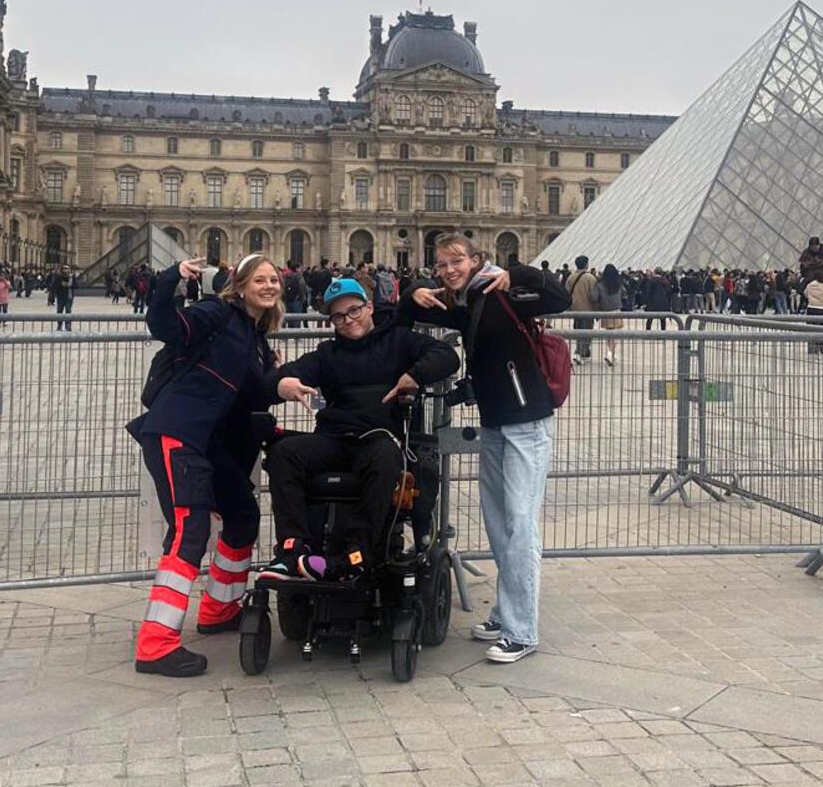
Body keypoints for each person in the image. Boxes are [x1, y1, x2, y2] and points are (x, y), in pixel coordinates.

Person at [399, 234, 570, 663]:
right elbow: (406, 312)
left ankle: (521, 630)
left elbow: (560, 297)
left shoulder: (503, 290)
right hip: (495, 423)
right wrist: (411, 291)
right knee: (498, 523)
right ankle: (505, 613)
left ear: (477, 260)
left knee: (520, 524)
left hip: (526, 423)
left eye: (456, 261)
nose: (448, 270)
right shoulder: (470, 302)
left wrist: (518, 273)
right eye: (441, 265)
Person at [127, 254, 282, 677]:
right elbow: (166, 327)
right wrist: (167, 281)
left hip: (207, 443)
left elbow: (249, 399)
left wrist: (276, 381)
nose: (269, 286)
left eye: (274, 280)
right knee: (189, 529)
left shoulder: (257, 341)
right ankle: (156, 644)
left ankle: (218, 609)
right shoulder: (217, 313)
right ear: (241, 284)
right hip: (179, 429)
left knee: (243, 515)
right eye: (261, 279)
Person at [258, 278, 458, 581]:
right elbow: (280, 378)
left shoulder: (399, 341)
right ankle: (292, 549)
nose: (347, 320)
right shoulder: (327, 354)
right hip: (334, 439)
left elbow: (448, 356)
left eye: (353, 311)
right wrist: (279, 383)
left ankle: (357, 553)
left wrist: (414, 375)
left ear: (369, 308)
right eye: (338, 316)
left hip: (378, 438)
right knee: (285, 452)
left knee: (385, 458)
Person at [567, 255, 598, 364]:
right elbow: (594, 296)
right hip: (587, 309)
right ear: (586, 264)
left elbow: (567, 293)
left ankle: (584, 352)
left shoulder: (570, 277)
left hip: (575, 309)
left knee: (578, 331)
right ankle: (578, 353)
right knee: (587, 332)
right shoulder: (590, 278)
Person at [594, 263, 624, 366]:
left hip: (605, 311)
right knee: (615, 334)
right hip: (616, 310)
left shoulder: (600, 284)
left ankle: (611, 352)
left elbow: (594, 297)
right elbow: (624, 293)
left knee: (608, 333)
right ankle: (611, 353)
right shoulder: (618, 283)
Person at [53, 264, 75, 330]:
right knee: (59, 311)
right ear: (62, 269)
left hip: (69, 297)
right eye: (65, 268)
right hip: (61, 297)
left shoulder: (71, 277)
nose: (66, 270)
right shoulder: (58, 277)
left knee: (68, 311)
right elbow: (54, 285)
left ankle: (68, 325)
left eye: (67, 268)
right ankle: (59, 325)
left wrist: (71, 281)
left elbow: (77, 286)